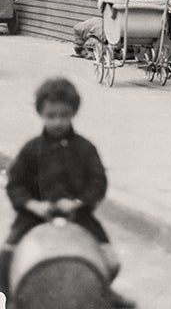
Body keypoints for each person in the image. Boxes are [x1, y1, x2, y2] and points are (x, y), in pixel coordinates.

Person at [0, 78, 135, 307]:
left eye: (64, 115)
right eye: (51, 116)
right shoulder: (31, 149)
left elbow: (98, 182)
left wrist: (79, 202)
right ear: (41, 113)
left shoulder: (84, 148)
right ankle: (12, 299)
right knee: (5, 257)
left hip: (78, 215)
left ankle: (101, 292)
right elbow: (15, 185)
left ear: (73, 113)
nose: (57, 121)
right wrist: (34, 205)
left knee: (111, 261)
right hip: (34, 217)